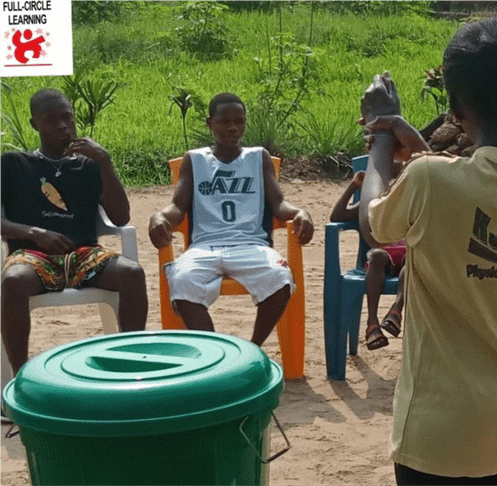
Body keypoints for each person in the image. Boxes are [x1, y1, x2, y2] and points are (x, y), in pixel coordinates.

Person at [356, 19, 497, 485]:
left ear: (455, 108)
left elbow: (375, 225)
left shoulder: (430, 182)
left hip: (442, 435)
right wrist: (416, 152)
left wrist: (382, 140)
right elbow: (473, 183)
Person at [148, 92, 314, 346]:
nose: (233, 127)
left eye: (240, 121)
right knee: (181, 282)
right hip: (205, 246)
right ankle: (217, 355)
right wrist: (158, 217)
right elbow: (177, 207)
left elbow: (279, 204)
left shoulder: (258, 157)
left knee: (280, 279)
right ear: (209, 122)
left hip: (251, 245)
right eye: (224, 122)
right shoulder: (195, 160)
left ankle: (251, 348)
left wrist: (301, 213)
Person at [1, 88, 147, 375]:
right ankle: (20, 379)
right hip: (32, 256)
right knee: (14, 281)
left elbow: (120, 217)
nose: (62, 125)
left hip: (84, 255)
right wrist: (34, 232)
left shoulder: (90, 165)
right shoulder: (14, 164)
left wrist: (105, 161)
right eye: (51, 119)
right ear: (35, 124)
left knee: (132, 273)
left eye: (67, 117)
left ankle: (129, 364)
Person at [328, 165, 406, 350]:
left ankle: (396, 310)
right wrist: (354, 186)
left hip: (410, 255)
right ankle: (373, 323)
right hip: (383, 254)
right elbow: (337, 216)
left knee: (412, 264)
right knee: (376, 255)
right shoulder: (374, 201)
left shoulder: (412, 199)